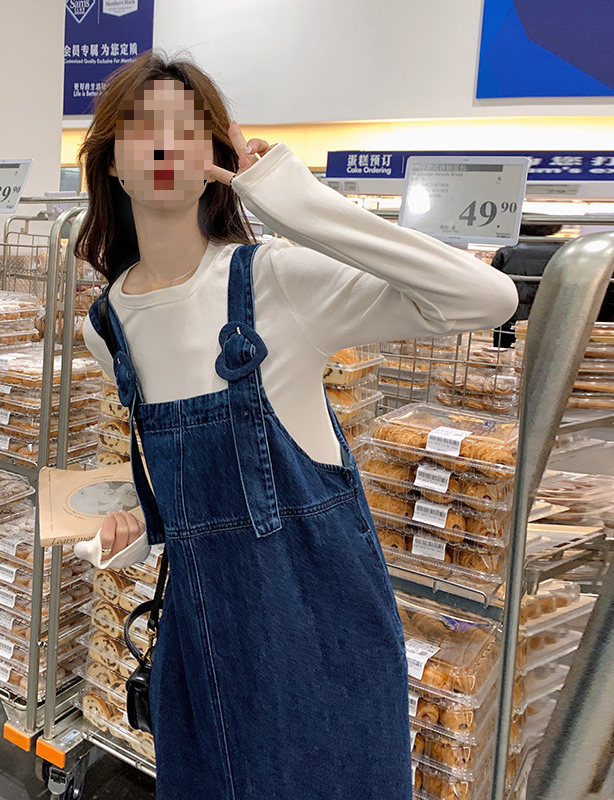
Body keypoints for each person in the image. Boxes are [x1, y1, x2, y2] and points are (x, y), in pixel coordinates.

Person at [74, 50, 518, 800]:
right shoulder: (107, 324)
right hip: (199, 640)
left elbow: (488, 298)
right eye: (141, 127)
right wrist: (139, 526)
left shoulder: (276, 280)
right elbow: (176, 486)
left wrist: (294, 202)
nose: (163, 145)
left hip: (317, 634)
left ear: (216, 160)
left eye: (187, 129)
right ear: (110, 162)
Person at [491, 223, 614, 347]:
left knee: (506, 354)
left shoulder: (506, 252)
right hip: (552, 319)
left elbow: (494, 286)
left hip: (511, 319)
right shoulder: (567, 252)